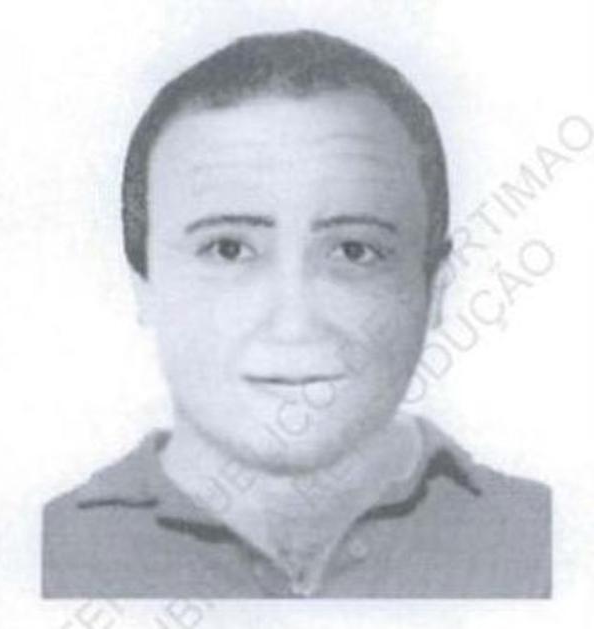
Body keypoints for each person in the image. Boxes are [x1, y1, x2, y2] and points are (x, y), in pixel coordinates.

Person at [42, 29, 551, 598]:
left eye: (354, 251)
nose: (293, 323)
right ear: (144, 284)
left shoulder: (553, 548)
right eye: (228, 249)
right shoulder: (36, 561)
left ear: (435, 289)